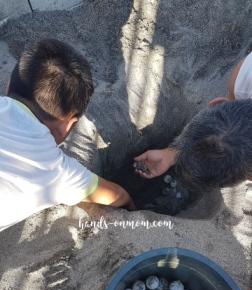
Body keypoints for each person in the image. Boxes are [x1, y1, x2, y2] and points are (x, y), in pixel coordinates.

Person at [0, 39, 134, 233]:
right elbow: (117, 196)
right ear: (71, 123)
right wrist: (134, 210)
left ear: (8, 85)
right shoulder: (54, 169)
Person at [134, 54, 252, 211]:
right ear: (217, 103)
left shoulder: (244, 78)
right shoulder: (244, 76)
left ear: (216, 103)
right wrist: (172, 153)